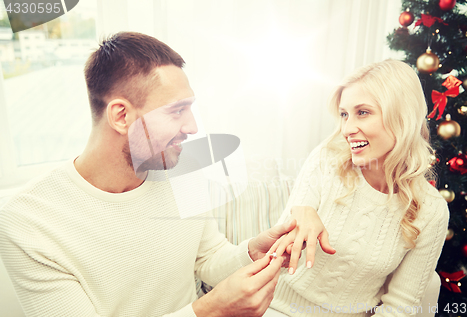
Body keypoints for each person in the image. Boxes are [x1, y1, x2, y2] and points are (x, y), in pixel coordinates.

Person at [0, 31, 327, 317]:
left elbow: (207, 258)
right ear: (121, 116)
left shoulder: (185, 169)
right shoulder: (29, 221)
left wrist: (250, 252)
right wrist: (209, 311)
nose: (192, 127)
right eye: (176, 111)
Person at [266, 59, 450, 316]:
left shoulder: (431, 210)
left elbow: (400, 306)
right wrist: (302, 211)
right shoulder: (326, 159)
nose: (347, 129)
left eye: (362, 112)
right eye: (344, 114)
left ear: (402, 117)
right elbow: (280, 249)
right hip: (273, 307)